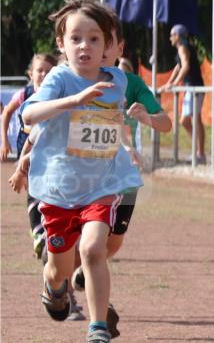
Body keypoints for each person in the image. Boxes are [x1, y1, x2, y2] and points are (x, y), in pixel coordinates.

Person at [21, 0, 143, 343]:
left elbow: (111, 121)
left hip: (101, 186)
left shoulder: (118, 80)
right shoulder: (59, 78)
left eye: (93, 39)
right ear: (62, 44)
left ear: (108, 45)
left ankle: (98, 332)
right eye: (75, 39)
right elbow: (30, 113)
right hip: (59, 188)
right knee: (60, 266)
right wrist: (74, 100)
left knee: (92, 250)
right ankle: (54, 284)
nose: (84, 46)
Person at [71, 17, 173, 293]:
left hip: (121, 173)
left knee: (114, 240)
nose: (99, 47)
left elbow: (166, 123)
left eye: (106, 40)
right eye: (93, 39)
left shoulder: (131, 83)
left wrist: (147, 118)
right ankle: (77, 287)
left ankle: (87, 267)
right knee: (84, 237)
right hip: (81, 172)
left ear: (119, 48)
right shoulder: (71, 79)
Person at [1, 53, 56, 258]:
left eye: (48, 71)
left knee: (47, 189)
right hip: (27, 146)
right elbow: (6, 112)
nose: (43, 74)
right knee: (33, 187)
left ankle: (49, 232)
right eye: (39, 70)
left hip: (49, 149)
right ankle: (38, 232)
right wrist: (5, 141)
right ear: (31, 73)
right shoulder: (24, 94)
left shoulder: (59, 93)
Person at [162, 24, 206, 163]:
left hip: (194, 87)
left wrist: (174, 84)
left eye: (171, 35)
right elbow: (178, 67)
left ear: (177, 36)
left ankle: (200, 153)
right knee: (190, 120)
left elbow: (185, 66)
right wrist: (169, 82)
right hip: (192, 87)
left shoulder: (183, 48)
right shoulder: (184, 48)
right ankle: (199, 152)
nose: (170, 38)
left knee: (189, 120)